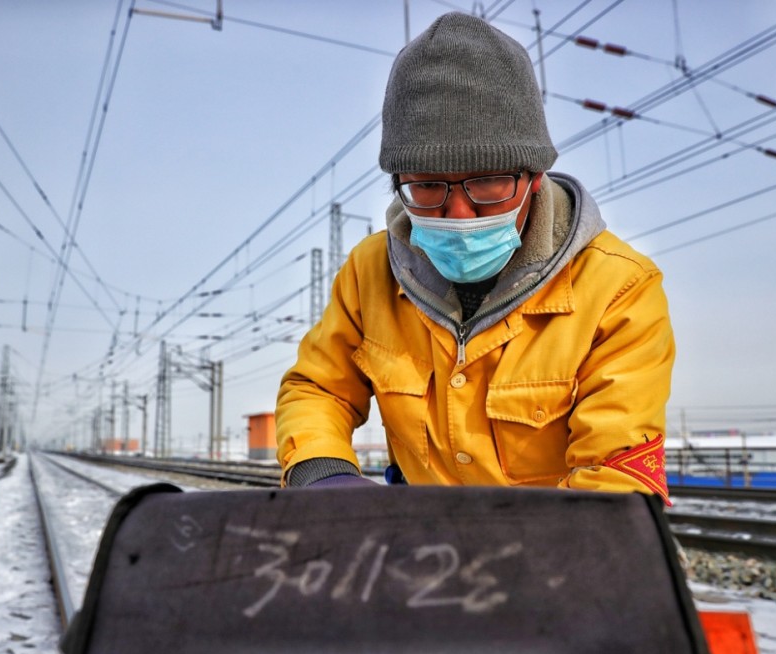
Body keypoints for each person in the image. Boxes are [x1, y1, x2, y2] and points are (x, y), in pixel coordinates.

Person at [274, 12, 674, 504]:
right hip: (420, 546)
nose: (459, 213)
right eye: (427, 186)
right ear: (399, 181)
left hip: (555, 554)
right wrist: (323, 471)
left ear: (534, 175)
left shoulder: (618, 289)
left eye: (488, 182)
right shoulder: (369, 271)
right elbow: (319, 388)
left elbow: (614, 480)